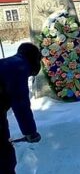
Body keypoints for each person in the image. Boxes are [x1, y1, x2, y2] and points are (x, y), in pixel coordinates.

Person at [0, 43, 42, 174]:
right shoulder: (19, 67)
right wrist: (30, 132)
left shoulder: (9, 63)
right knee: (4, 155)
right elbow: (21, 104)